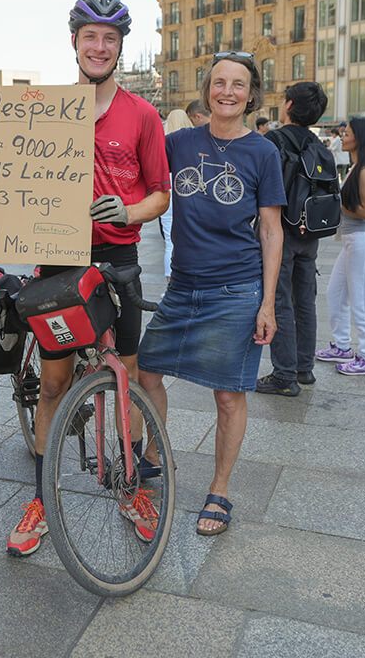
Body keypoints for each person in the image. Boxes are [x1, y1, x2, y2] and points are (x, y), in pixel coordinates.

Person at [8, 0, 170, 557]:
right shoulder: (41, 108)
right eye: (89, 37)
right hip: (57, 258)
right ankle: (42, 497)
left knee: (126, 376)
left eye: (110, 39)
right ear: (73, 41)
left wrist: (129, 210)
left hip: (118, 263)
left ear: (120, 46)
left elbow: (160, 195)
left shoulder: (143, 115)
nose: (99, 47)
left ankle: (132, 491)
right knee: (53, 384)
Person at [138, 51, 283, 536]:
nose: (227, 91)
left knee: (228, 396)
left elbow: (271, 229)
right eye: (218, 82)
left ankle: (219, 491)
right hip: (183, 286)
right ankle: (157, 453)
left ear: (250, 94)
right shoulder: (178, 142)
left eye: (237, 85)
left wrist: (267, 303)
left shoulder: (262, 152)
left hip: (236, 289)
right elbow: (132, 163)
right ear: (206, 91)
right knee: (147, 370)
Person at [257, 82, 331, 397]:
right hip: (310, 230)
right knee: (306, 302)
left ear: (288, 105)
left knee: (281, 300)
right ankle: (304, 368)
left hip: (281, 231)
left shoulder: (274, 140)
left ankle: (284, 375)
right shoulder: (319, 145)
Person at [315, 116, 365, 375]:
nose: (342, 137)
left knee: (363, 302)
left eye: (347, 133)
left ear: (360, 138)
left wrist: (335, 204)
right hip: (353, 242)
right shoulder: (358, 166)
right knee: (335, 294)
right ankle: (341, 346)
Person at [159, 108, 195, 281]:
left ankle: (170, 284)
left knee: (169, 239)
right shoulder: (193, 140)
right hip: (188, 186)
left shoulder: (164, 142)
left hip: (167, 188)